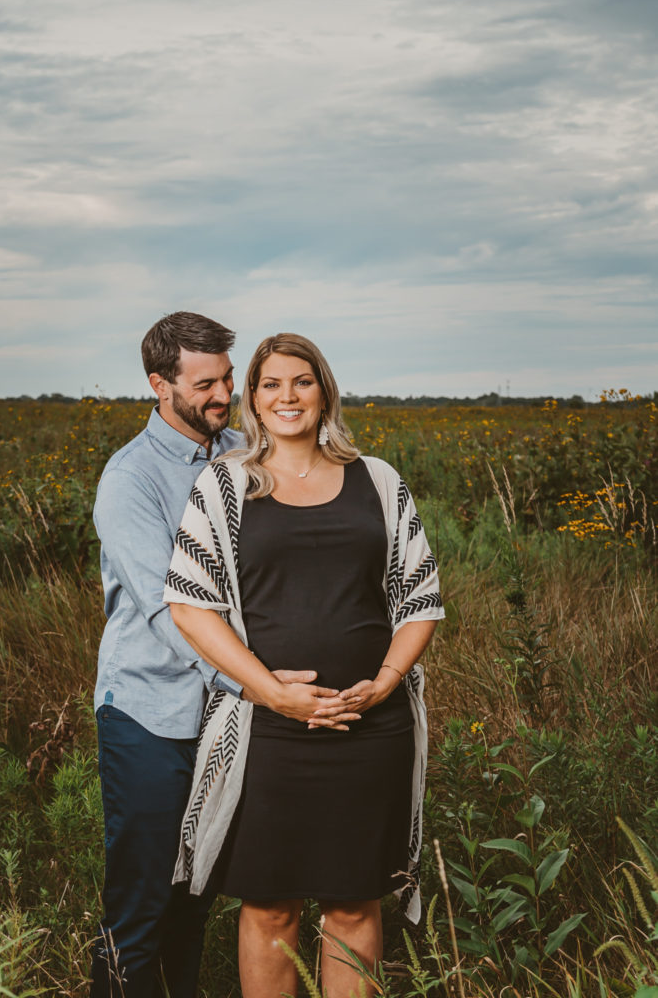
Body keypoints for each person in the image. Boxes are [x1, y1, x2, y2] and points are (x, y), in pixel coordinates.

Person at [163, 333, 445, 998]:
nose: (286, 396)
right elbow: (189, 605)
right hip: (268, 732)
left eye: (301, 382)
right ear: (253, 403)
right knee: (269, 905)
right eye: (269, 385)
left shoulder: (377, 480)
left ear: (324, 393)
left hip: (368, 728)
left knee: (353, 904)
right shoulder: (225, 484)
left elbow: (421, 600)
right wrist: (271, 693)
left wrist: (384, 682)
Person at [91, 313, 350, 998]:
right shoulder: (130, 481)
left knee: (198, 892)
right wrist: (258, 685)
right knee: (143, 902)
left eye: (229, 378)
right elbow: (169, 611)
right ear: (159, 384)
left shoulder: (247, 455)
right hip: (152, 716)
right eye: (205, 383)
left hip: (233, 717)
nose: (223, 394)